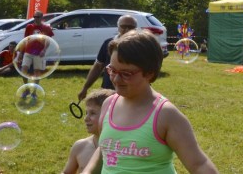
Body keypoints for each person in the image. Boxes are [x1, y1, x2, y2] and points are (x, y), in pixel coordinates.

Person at [81, 30, 219, 174]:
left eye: (126, 74)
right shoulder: (108, 104)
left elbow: (199, 164)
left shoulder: (165, 115)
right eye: (112, 70)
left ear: (149, 73)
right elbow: (105, 149)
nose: (115, 79)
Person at [77, 15, 137, 101]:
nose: (127, 30)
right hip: (109, 91)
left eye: (131, 27)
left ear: (135, 29)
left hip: (132, 91)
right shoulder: (108, 43)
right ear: (118, 27)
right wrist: (85, 88)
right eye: (123, 26)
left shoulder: (140, 46)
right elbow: (98, 67)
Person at [62, 88, 115, 174]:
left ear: (109, 115)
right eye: (86, 113)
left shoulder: (120, 148)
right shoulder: (80, 146)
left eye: (93, 113)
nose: (86, 118)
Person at [20, 11, 55, 81]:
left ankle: (35, 87)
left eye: (37, 17)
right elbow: (25, 40)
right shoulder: (29, 26)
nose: (35, 18)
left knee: (37, 71)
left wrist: (44, 50)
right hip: (28, 51)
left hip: (39, 53)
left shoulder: (46, 27)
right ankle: (26, 86)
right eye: (34, 17)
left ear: (42, 17)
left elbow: (48, 40)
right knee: (24, 70)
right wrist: (21, 52)